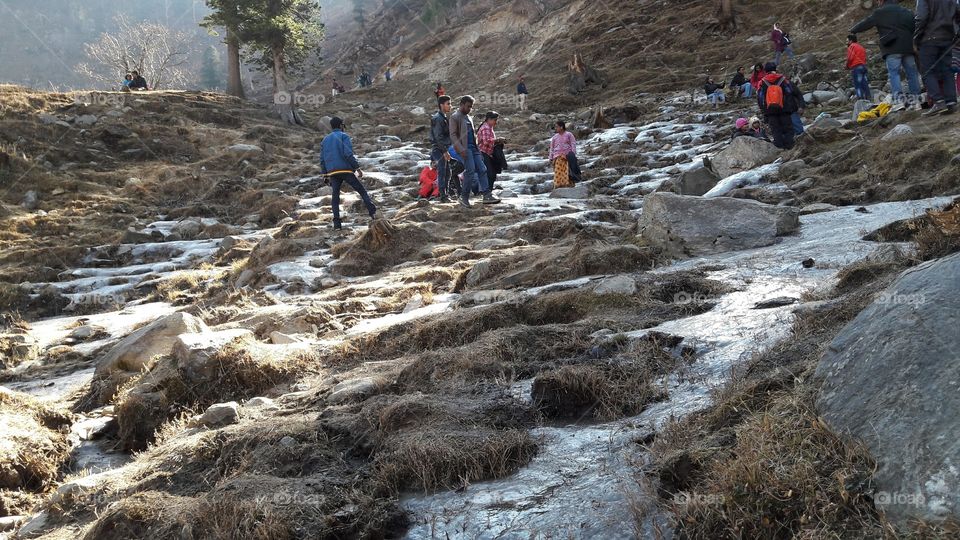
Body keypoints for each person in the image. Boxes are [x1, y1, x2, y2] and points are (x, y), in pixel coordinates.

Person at [850, 0, 922, 106]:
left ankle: (898, 100)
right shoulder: (907, 11)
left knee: (894, 74)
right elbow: (915, 26)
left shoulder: (880, 12)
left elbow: (866, 23)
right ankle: (916, 99)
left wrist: (853, 29)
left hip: (891, 48)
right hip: (908, 48)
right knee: (912, 73)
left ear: (882, 1)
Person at [319, 117, 377, 230]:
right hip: (345, 169)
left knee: (335, 197)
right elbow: (347, 154)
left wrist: (325, 175)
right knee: (361, 190)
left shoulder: (325, 140)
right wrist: (357, 168)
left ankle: (337, 224)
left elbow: (322, 159)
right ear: (341, 125)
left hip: (332, 172)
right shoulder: (344, 136)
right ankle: (373, 213)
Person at [449, 95, 499, 207]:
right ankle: (464, 197)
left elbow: (473, 134)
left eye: (471, 107)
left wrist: (477, 148)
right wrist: (460, 150)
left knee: (482, 169)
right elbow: (453, 135)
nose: (469, 109)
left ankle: (486, 194)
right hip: (465, 149)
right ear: (461, 104)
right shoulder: (455, 117)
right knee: (470, 171)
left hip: (474, 148)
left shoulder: (469, 118)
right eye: (468, 106)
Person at [915, 0, 958, 115]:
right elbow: (958, 12)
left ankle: (938, 101)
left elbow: (922, 17)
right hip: (947, 38)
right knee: (947, 70)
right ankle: (951, 102)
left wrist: (917, 37)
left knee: (928, 71)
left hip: (929, 39)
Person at [757, 62, 805, 150]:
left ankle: (780, 150)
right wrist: (799, 106)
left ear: (765, 71)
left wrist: (764, 112)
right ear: (775, 69)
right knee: (788, 130)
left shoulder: (762, 82)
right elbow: (792, 92)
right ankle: (790, 147)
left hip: (770, 111)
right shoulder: (783, 79)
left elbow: (760, 99)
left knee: (776, 131)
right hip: (785, 110)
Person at [430, 95, 453, 203]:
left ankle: (445, 194)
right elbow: (438, 137)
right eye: (448, 104)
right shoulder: (438, 118)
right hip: (439, 149)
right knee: (443, 172)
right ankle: (443, 196)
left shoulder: (442, 117)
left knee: (448, 172)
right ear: (441, 105)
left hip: (444, 148)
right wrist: (445, 151)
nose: (450, 106)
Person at [477, 111, 505, 193]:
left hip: (487, 153)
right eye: (495, 120)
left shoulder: (489, 127)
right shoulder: (485, 127)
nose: (496, 122)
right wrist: (498, 140)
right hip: (483, 153)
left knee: (491, 173)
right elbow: (486, 142)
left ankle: (488, 191)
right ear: (489, 119)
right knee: (490, 174)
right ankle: (486, 192)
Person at [548, 121, 581, 188]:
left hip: (567, 157)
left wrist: (572, 155)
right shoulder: (554, 137)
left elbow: (573, 144)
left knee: (568, 172)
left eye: (557, 127)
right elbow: (552, 148)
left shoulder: (569, 135)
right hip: (557, 157)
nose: (555, 128)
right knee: (558, 172)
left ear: (561, 127)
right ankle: (558, 186)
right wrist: (550, 158)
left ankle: (568, 186)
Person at [847, 34, 873, 100]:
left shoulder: (852, 46)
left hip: (856, 67)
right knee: (864, 84)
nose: (846, 42)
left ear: (850, 40)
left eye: (847, 41)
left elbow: (850, 58)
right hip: (863, 66)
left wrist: (847, 66)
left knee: (858, 85)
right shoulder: (861, 47)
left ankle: (860, 99)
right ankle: (868, 97)